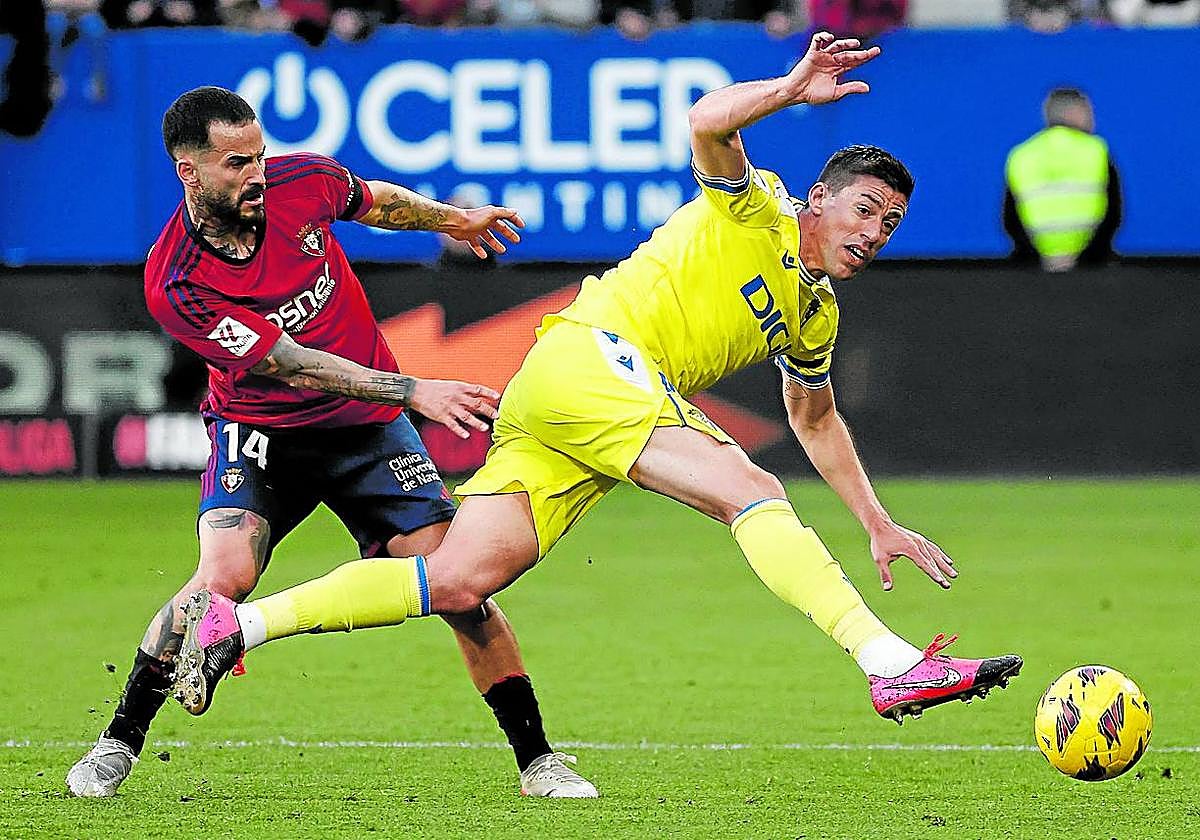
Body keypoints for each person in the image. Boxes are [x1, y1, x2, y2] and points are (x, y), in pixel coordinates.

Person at [175, 34, 1023, 777]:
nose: (873, 232)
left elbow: (815, 418)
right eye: (865, 209)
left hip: (570, 404)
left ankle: (235, 628)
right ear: (823, 197)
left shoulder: (815, 315)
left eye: (890, 223)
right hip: (596, 357)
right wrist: (791, 89)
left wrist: (876, 521)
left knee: (459, 579)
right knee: (751, 491)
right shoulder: (760, 206)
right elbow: (706, 120)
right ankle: (887, 661)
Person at [66, 86, 598, 800]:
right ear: (189, 172)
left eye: (259, 156)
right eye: (236, 164)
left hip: (364, 430)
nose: (257, 174)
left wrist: (455, 220)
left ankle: (538, 761)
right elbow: (289, 363)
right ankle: (117, 742)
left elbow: (376, 202)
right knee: (220, 582)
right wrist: (412, 390)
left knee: (460, 583)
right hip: (262, 433)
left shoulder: (302, 180)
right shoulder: (178, 281)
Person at [1003, 87, 1122, 272]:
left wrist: (1041, 260)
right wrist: (1087, 259)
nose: (1093, 120)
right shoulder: (1095, 150)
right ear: (1074, 113)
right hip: (1091, 268)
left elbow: (1011, 219)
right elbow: (1113, 212)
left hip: (1034, 270)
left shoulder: (1021, 155)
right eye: (1088, 112)